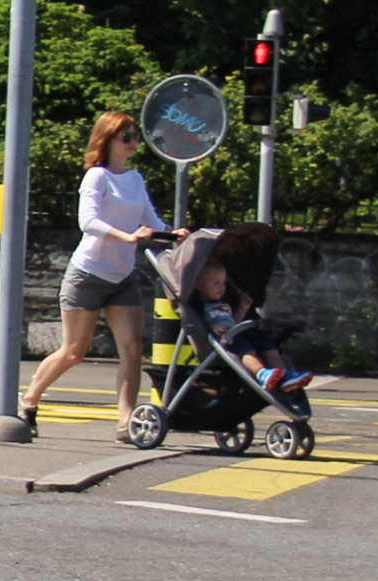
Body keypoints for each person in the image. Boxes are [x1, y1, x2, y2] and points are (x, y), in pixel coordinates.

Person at [19, 111, 166, 441]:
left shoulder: (135, 179)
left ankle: (125, 422)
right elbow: (88, 222)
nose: (132, 142)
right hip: (88, 273)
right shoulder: (97, 178)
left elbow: (151, 220)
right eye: (124, 137)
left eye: (133, 136)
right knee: (73, 352)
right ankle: (29, 400)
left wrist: (173, 233)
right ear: (107, 141)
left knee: (131, 349)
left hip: (122, 276)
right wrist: (127, 237)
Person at [193, 257, 311, 395]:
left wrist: (243, 309)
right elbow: (199, 324)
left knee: (267, 344)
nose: (222, 288)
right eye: (216, 283)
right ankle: (261, 373)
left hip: (234, 333)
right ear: (199, 285)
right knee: (245, 348)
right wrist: (212, 328)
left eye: (224, 283)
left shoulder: (224, 304)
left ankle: (286, 377)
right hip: (222, 341)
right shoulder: (199, 306)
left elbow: (233, 322)